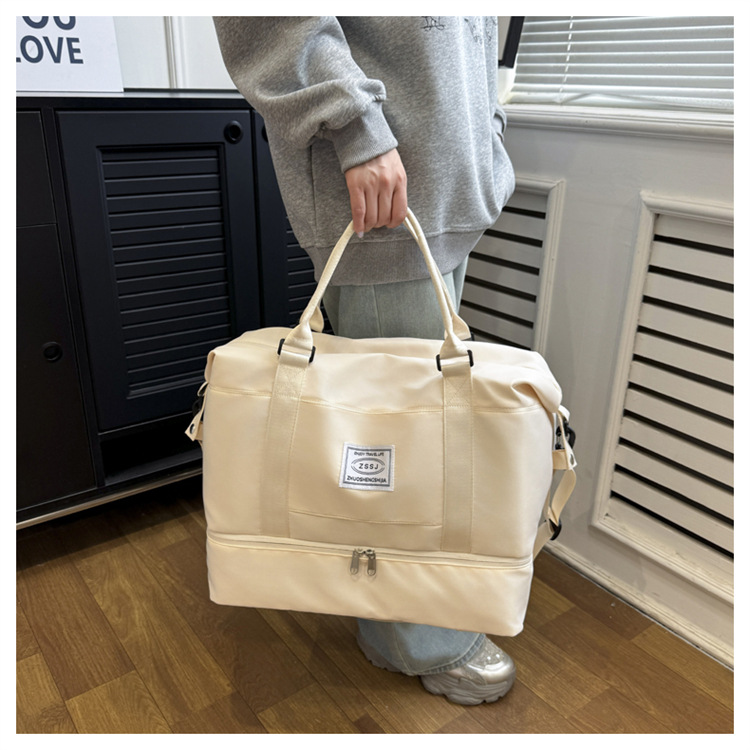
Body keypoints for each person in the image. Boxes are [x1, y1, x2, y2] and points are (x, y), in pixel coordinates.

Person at [213, 16, 517, 705]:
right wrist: (357, 128)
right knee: (395, 442)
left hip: (442, 185)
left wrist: (486, 133)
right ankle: (416, 639)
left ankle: (396, 607)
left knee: (410, 432)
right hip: (383, 192)